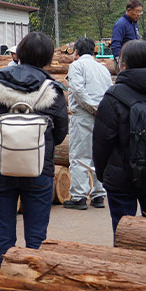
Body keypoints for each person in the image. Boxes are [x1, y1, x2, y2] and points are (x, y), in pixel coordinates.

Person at [0, 31, 68, 273]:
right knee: (36, 237)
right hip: (39, 168)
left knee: (4, 235)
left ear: (20, 53)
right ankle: (30, 289)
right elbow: (60, 133)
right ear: (48, 58)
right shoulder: (52, 89)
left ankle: (5, 286)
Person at [93, 40, 146, 232]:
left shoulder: (113, 96)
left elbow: (102, 142)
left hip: (122, 177)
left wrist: (103, 174)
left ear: (123, 64)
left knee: (123, 231)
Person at [63, 37, 111, 210]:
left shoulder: (76, 66)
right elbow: (109, 90)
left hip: (84, 114)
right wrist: (100, 109)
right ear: (94, 51)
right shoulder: (103, 68)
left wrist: (92, 107)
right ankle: (99, 194)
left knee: (79, 156)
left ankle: (79, 196)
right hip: (102, 115)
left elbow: (77, 90)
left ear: (76, 51)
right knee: (99, 155)